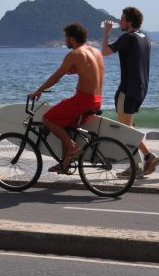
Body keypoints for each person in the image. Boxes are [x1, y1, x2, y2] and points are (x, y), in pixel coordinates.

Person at [28, 22, 105, 173]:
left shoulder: (75, 54)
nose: (65, 40)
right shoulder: (96, 52)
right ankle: (65, 163)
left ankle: (73, 148)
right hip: (97, 99)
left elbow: (57, 76)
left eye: (66, 37)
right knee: (64, 125)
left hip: (83, 100)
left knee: (48, 119)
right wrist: (77, 70)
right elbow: (92, 73)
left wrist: (39, 91)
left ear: (71, 38)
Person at [102, 7, 159, 178]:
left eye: (122, 19)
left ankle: (135, 167)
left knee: (124, 130)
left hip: (127, 90)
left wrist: (106, 32)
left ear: (129, 21)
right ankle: (148, 157)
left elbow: (104, 52)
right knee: (129, 127)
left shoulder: (127, 37)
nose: (120, 22)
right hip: (141, 89)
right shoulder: (144, 37)